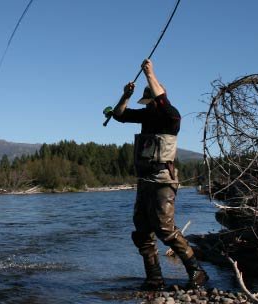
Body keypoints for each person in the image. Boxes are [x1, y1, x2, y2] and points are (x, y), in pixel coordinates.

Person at [107, 59, 208, 290]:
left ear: (157, 99)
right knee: (142, 230)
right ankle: (154, 278)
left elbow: (163, 101)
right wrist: (126, 95)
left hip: (164, 180)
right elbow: (119, 115)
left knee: (164, 228)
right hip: (145, 181)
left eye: (151, 101)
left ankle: (197, 272)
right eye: (148, 102)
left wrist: (150, 73)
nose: (149, 105)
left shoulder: (172, 116)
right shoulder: (145, 117)